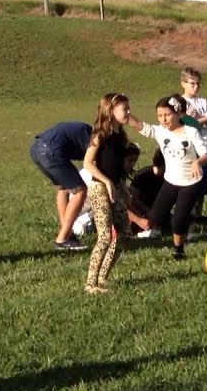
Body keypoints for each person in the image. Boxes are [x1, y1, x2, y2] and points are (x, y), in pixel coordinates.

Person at [81, 93, 142, 294]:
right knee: (105, 236)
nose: (128, 113)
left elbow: (117, 167)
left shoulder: (121, 137)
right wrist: (106, 182)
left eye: (128, 108)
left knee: (125, 234)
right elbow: (88, 163)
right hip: (99, 189)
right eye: (125, 109)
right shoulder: (100, 136)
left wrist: (122, 188)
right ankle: (91, 284)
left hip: (115, 189)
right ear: (111, 111)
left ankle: (102, 276)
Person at [137, 95, 207, 260]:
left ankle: (178, 250)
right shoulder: (160, 131)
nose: (163, 119)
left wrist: (198, 162)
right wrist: (127, 118)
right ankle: (180, 220)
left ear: (177, 114)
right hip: (171, 181)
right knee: (155, 216)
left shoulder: (191, 132)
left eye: (167, 115)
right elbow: (142, 126)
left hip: (191, 181)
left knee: (178, 220)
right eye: (160, 116)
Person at [30, 120, 94, 250]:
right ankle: (63, 239)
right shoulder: (96, 139)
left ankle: (66, 232)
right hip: (51, 151)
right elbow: (93, 163)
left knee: (64, 189)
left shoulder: (86, 132)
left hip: (36, 148)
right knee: (80, 191)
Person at [179, 67, 207, 225]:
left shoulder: (203, 102)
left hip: (206, 149)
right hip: (190, 151)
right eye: (192, 83)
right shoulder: (179, 103)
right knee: (190, 185)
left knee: (203, 186)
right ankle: (187, 215)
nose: (196, 87)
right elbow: (182, 123)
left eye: (198, 84)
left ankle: (198, 215)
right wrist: (201, 120)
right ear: (183, 83)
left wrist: (203, 118)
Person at [130, 150, 165, 237]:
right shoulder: (143, 175)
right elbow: (132, 199)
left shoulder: (168, 177)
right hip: (139, 211)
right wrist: (147, 213)